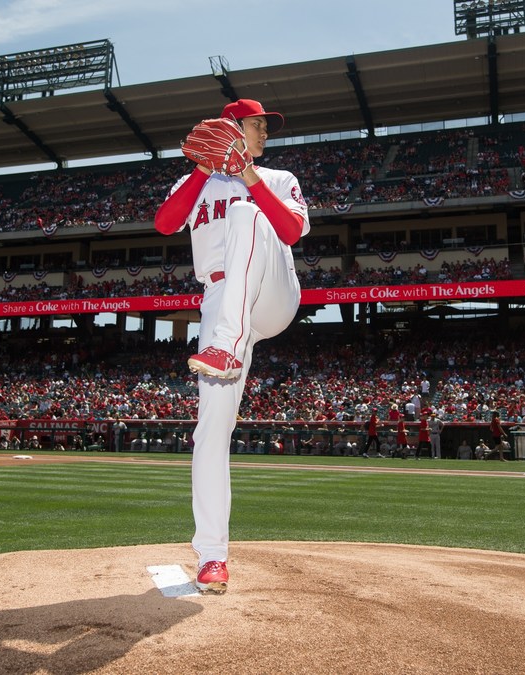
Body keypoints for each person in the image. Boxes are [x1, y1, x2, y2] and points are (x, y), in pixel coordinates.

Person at [154, 99, 309, 594]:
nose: (264, 130)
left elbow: (289, 231)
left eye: (266, 124)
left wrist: (248, 176)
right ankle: (212, 557)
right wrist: (203, 170)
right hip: (220, 300)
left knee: (247, 210)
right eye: (256, 123)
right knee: (210, 430)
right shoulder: (194, 183)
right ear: (229, 128)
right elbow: (164, 223)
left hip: (272, 291)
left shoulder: (280, 177)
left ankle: (228, 344)